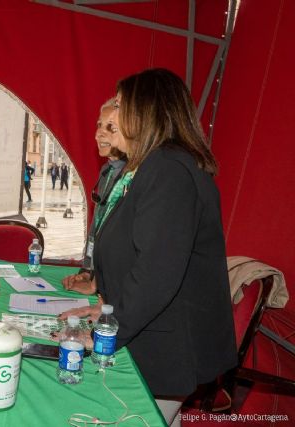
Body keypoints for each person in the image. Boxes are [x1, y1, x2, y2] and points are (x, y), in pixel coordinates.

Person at [60, 69, 237, 426]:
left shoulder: (168, 169)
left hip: (167, 350)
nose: (112, 111)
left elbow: (156, 272)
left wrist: (108, 332)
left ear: (147, 111)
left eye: (121, 104)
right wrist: (110, 312)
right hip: (156, 337)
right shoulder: (153, 167)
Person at [62, 100, 126, 294]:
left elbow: (122, 244)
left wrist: (99, 285)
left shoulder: (134, 177)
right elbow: (98, 228)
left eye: (111, 127)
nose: (99, 133)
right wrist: (88, 271)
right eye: (99, 125)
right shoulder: (107, 170)